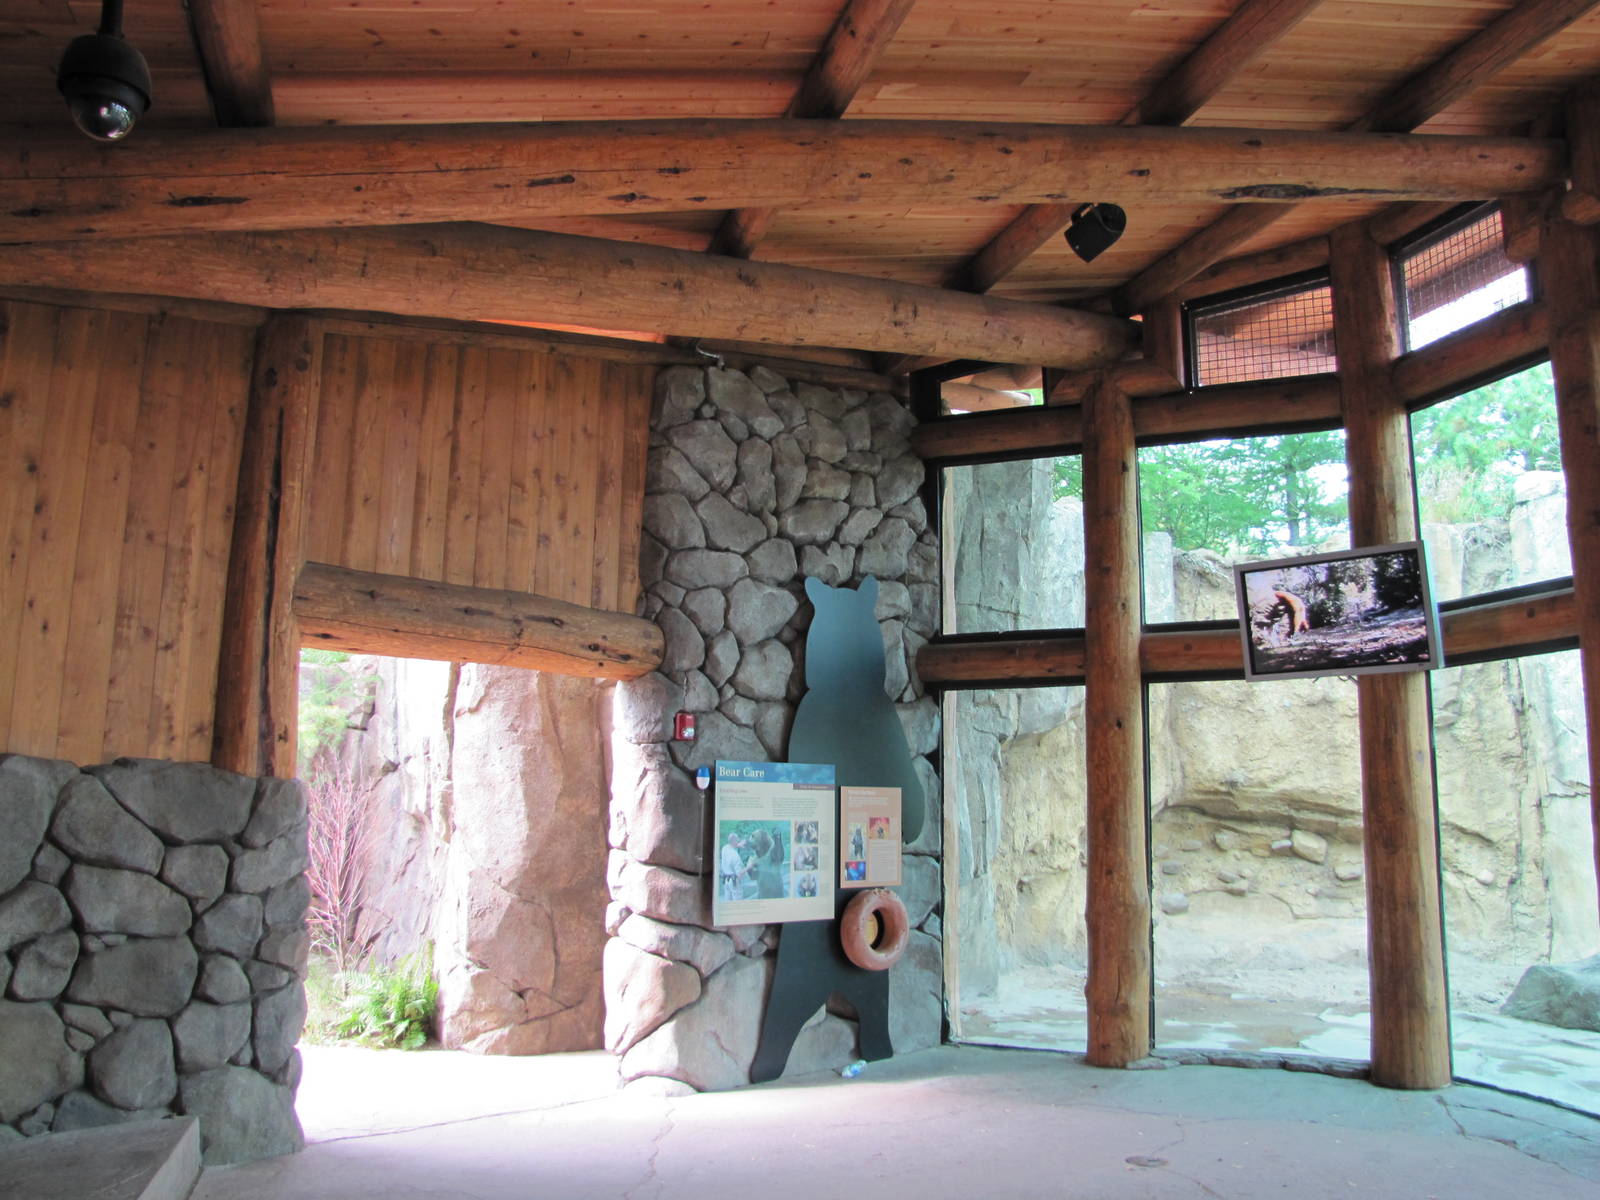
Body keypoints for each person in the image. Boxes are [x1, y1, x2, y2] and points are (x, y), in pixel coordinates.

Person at [720, 832, 749, 901]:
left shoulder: (724, 848)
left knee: (727, 901)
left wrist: (738, 845)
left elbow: (731, 846)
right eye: (738, 840)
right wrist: (749, 866)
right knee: (737, 903)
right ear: (734, 841)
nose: (739, 841)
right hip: (734, 882)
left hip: (726, 880)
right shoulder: (736, 856)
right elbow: (739, 874)